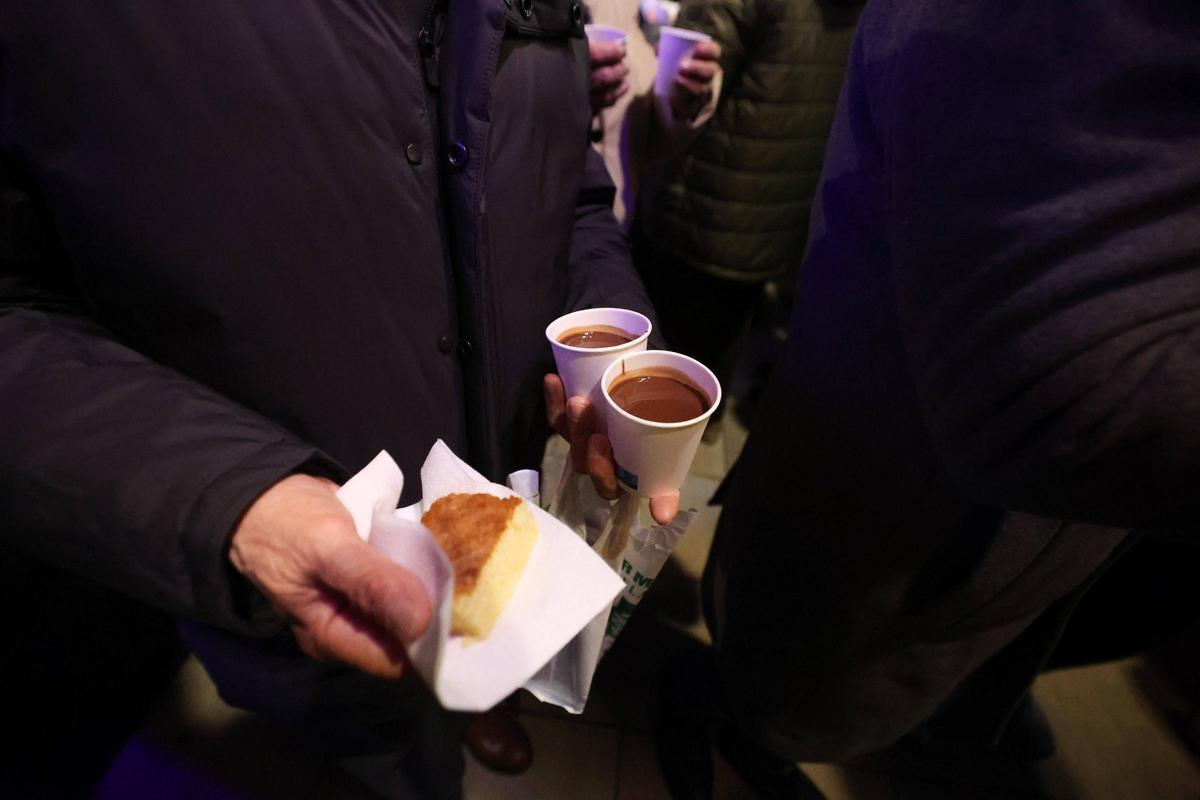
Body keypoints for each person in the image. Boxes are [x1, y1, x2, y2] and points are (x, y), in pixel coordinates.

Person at [0, 2, 679, 796]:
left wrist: (611, 349)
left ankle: (479, 701)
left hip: (509, 500)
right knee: (376, 764)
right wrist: (233, 497)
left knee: (478, 675)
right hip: (302, 592)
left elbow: (575, 196)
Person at [655, 0, 1200, 797]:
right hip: (739, 254)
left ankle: (760, 721)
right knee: (783, 652)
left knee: (816, 658)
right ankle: (710, 706)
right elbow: (1047, 401)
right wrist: (688, 87)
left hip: (783, 255)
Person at [634, 0, 861, 423]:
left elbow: (679, 91)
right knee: (717, 354)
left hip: (699, 210)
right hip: (777, 214)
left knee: (651, 382)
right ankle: (703, 429)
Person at [585, 0, 723, 229]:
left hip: (611, 223)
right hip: (546, 224)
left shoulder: (625, 15)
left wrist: (681, 100)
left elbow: (642, 136)